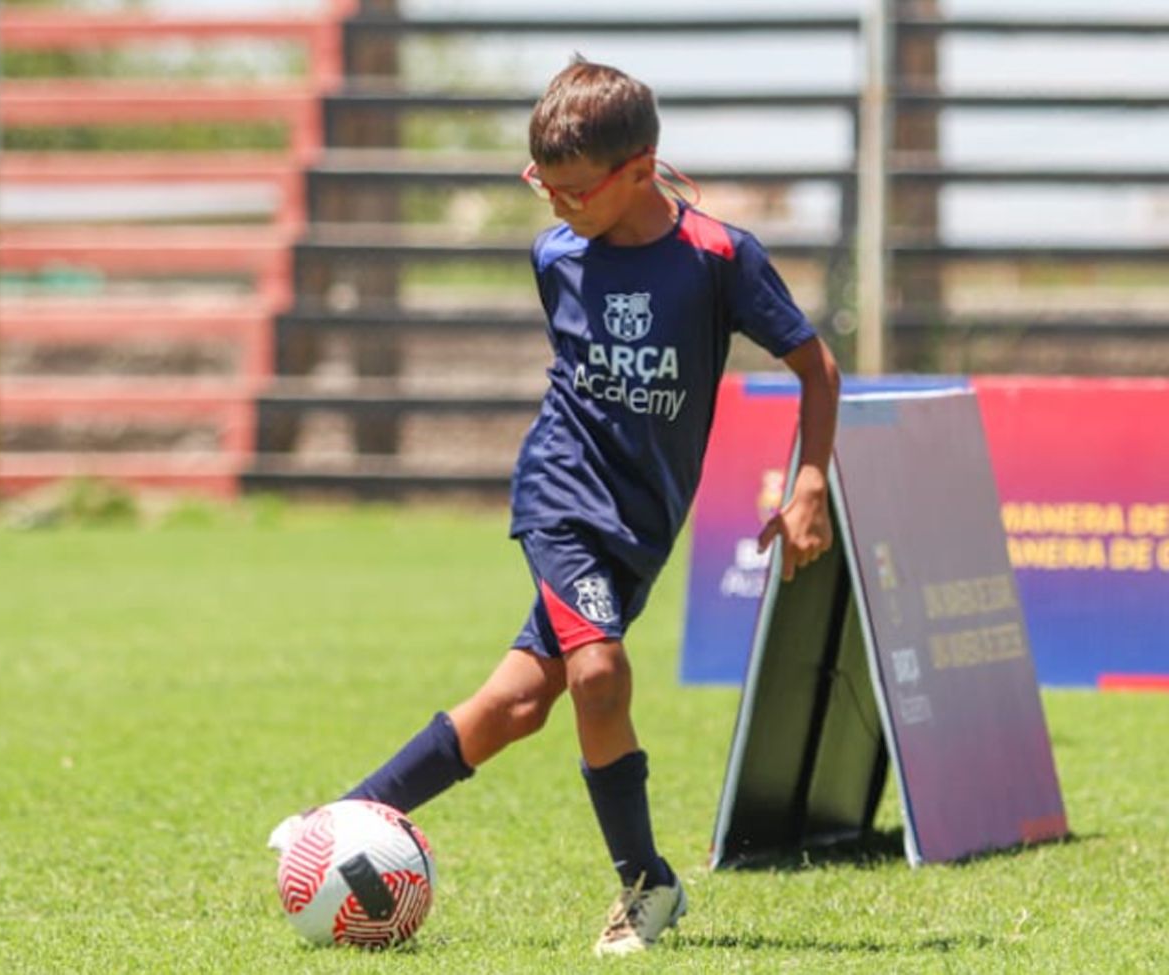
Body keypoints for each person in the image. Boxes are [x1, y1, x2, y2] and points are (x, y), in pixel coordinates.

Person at [270, 57, 841, 958]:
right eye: (546, 186)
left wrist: (809, 479)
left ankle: (342, 814)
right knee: (599, 675)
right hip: (562, 493)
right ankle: (647, 883)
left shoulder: (722, 259)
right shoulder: (556, 254)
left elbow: (815, 365)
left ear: (642, 171)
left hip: (643, 523)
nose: (559, 208)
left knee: (516, 703)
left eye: (576, 191)